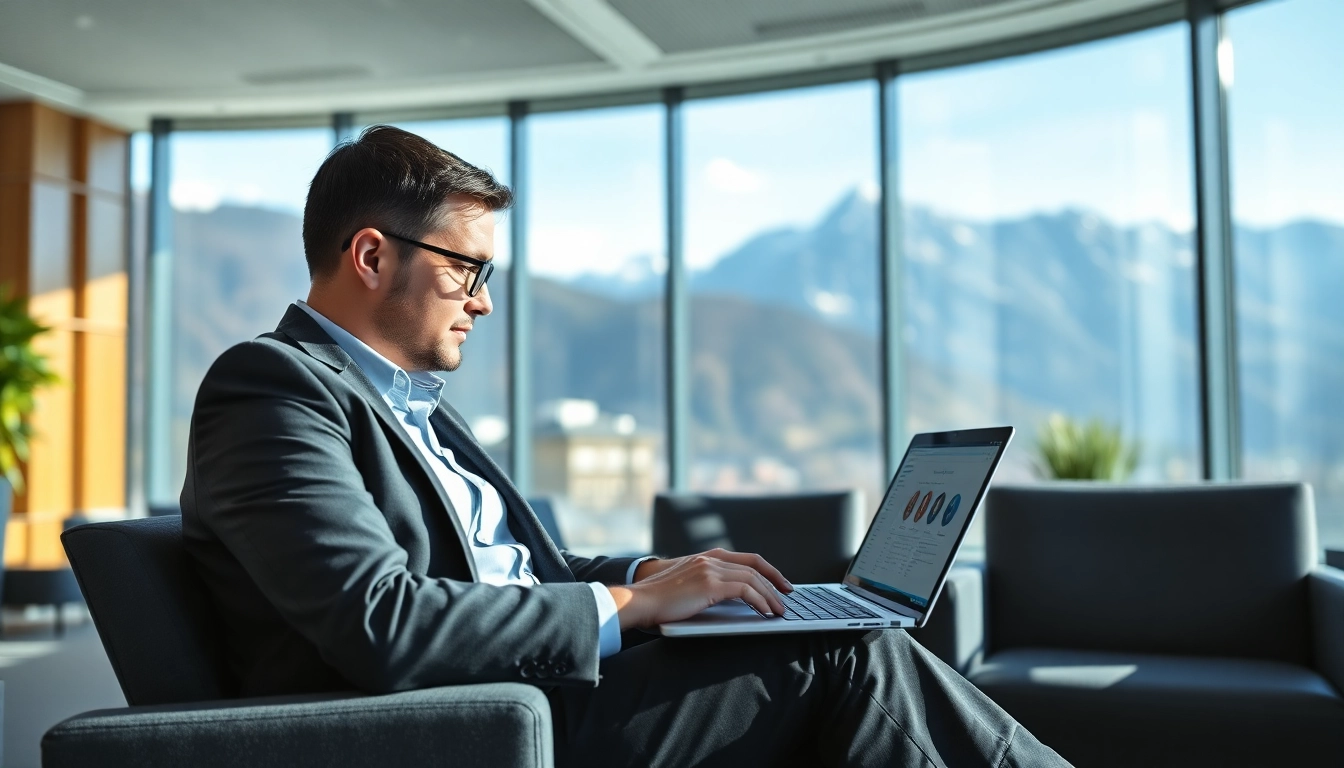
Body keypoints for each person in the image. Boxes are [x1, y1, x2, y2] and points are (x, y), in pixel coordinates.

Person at [181, 125, 1070, 767]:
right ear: (371, 256)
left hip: (532, 694)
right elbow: (383, 621)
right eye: (468, 269)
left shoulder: (409, 404)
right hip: (471, 727)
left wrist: (653, 577)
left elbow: (519, 569)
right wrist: (629, 609)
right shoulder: (272, 386)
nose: (483, 301)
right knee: (847, 658)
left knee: (837, 646)